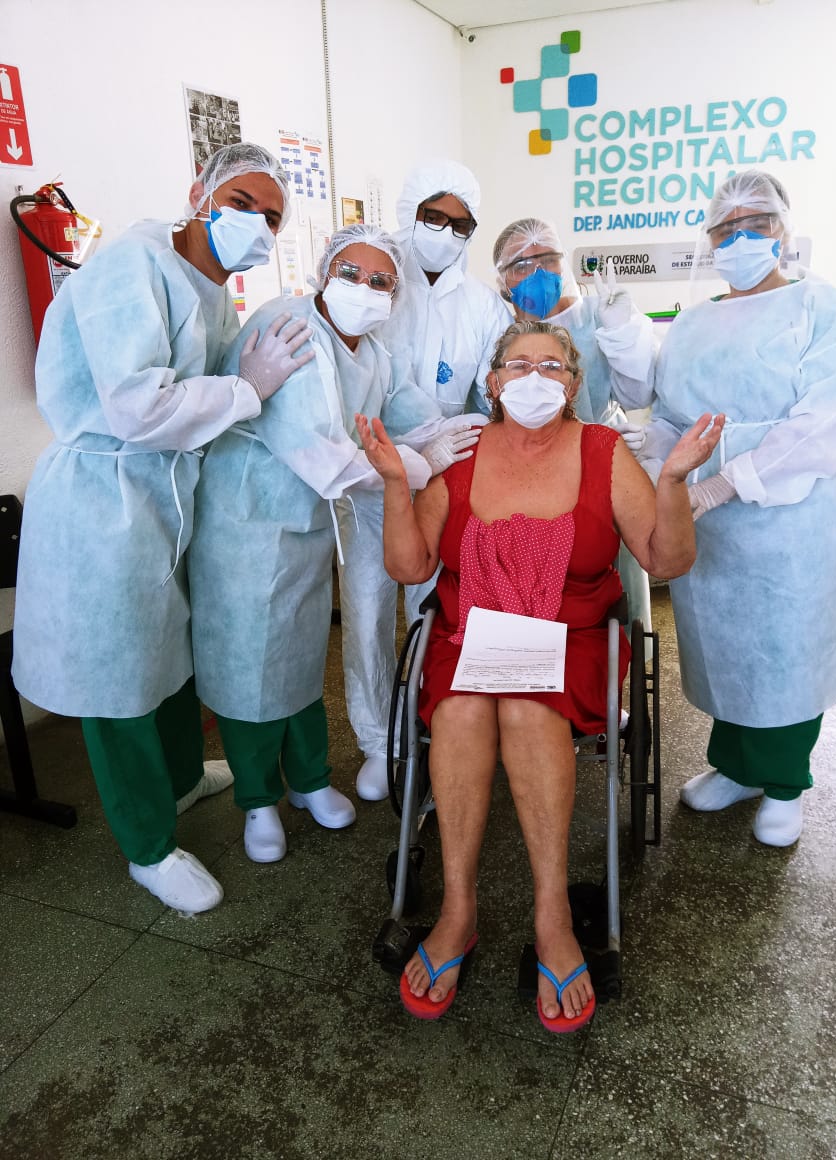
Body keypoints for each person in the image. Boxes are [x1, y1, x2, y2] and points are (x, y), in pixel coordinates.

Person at [356, 320, 723, 1029]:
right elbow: (409, 568)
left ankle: (552, 913)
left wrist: (673, 479)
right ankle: (459, 910)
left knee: (525, 708)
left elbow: (666, 560)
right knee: (462, 711)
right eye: (517, 365)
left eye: (551, 367)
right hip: (470, 632)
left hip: (571, 634)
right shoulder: (458, 451)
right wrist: (398, 482)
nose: (533, 378)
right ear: (492, 383)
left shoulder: (603, 451)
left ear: (574, 384)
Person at [12, 142, 314, 913]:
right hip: (101, 502)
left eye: (272, 217)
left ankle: (181, 780)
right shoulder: (129, 266)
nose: (257, 225)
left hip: (163, 498)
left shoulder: (211, 291)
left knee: (168, 651)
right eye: (243, 203)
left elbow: (210, 402)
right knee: (115, 680)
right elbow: (138, 408)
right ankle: (147, 846)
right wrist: (247, 390)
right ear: (200, 191)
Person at [188, 223, 483, 863]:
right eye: (351, 273)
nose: (364, 289)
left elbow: (412, 414)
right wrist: (420, 464)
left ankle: (311, 781)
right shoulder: (290, 327)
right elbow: (326, 458)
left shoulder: (373, 350)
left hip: (305, 525)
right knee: (249, 669)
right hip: (248, 524)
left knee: (298, 656)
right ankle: (259, 801)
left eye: (381, 282)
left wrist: (478, 428)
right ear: (325, 269)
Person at [640, 169, 836, 848]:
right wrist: (650, 447)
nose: (741, 238)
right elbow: (674, 414)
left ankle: (785, 784)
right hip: (709, 525)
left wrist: (729, 479)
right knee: (727, 647)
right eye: (726, 228)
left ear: (783, 232)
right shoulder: (692, 321)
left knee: (785, 651)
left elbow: (829, 417)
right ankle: (735, 767)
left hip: (793, 520)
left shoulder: (818, 306)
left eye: (757, 225)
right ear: (710, 239)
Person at [340, 159, 512, 803]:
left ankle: (427, 730)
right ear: (410, 213)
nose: (444, 232)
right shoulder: (376, 283)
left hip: (445, 485)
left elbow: (493, 392)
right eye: (432, 217)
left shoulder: (483, 306)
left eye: (459, 224)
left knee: (432, 610)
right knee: (364, 609)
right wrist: (407, 445)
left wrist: (454, 440)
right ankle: (374, 740)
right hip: (366, 479)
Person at [491, 218, 657, 637]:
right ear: (502, 279)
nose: (538, 273)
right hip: (528, 470)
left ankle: (609, 674)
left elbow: (639, 392)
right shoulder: (495, 326)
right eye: (522, 265)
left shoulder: (597, 314)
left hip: (600, 462)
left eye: (548, 259)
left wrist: (624, 330)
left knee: (607, 583)